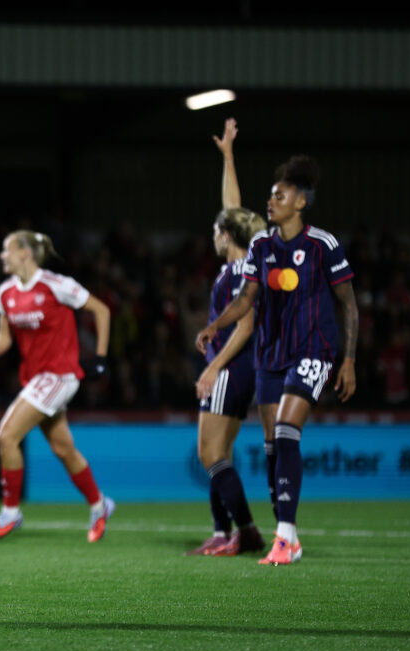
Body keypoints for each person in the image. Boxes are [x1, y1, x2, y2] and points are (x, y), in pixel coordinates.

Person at [195, 125, 358, 566]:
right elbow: (246, 299)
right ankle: (277, 531)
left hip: (311, 351)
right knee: (271, 444)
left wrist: (348, 359)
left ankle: (280, 534)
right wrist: (214, 326)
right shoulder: (262, 246)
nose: (270, 202)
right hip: (270, 356)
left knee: (280, 433)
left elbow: (348, 304)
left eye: (279, 196)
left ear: (301, 202)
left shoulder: (323, 245)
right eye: (270, 195)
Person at [0, 230, 115, 542]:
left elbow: (102, 310)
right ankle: (100, 504)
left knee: (6, 436)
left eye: (7, 250)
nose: (2, 256)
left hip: (59, 375)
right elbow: (4, 337)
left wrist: (101, 356)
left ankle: (10, 513)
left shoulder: (56, 284)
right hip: (35, 377)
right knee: (63, 448)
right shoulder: (5, 293)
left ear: (25, 253)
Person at [186, 118, 267, 557]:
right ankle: (223, 532)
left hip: (231, 368)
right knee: (221, 455)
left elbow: (245, 325)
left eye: (218, 230)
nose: (213, 234)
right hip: (241, 369)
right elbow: (233, 209)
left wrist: (213, 368)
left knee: (209, 454)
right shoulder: (243, 264)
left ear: (228, 236)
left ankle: (245, 531)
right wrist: (229, 156)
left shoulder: (240, 271)